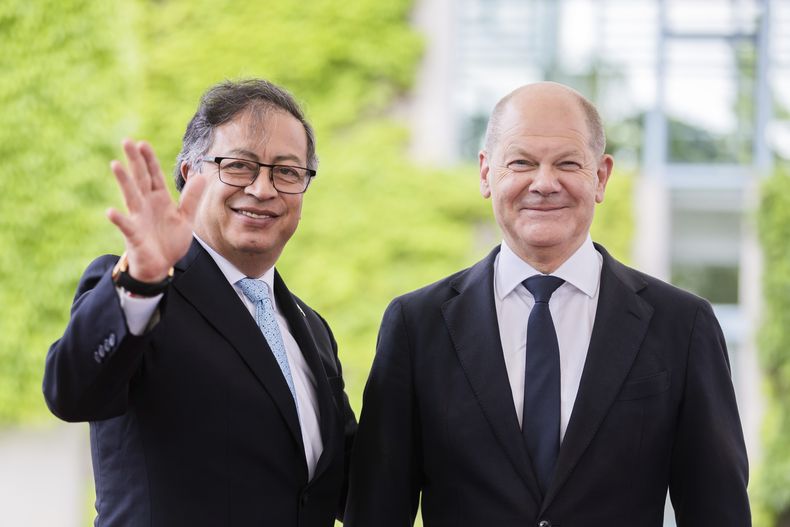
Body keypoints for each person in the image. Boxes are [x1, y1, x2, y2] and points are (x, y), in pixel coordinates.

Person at [345, 82, 750, 526]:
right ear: (486, 173)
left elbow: (719, 512)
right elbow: (377, 511)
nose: (543, 183)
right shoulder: (416, 326)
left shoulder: (682, 326)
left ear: (600, 177)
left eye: (567, 163)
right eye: (521, 162)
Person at [43, 79, 356, 527]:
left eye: (286, 172)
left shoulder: (311, 328)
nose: (263, 189)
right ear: (191, 173)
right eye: (240, 166)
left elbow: (346, 485)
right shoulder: (144, 293)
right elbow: (72, 393)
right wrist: (141, 281)